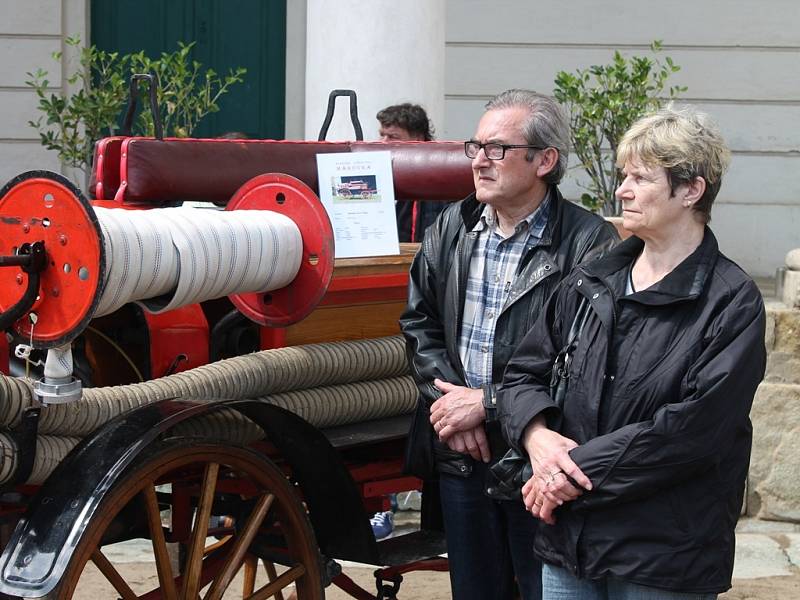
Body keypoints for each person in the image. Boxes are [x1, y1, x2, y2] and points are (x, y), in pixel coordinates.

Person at [496, 106, 766, 599]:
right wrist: (537, 438)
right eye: (624, 175)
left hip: (662, 554)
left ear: (691, 190)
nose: (622, 189)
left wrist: (570, 474)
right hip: (569, 541)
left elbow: (693, 430)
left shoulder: (731, 301)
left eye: (640, 178)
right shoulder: (591, 279)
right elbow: (522, 375)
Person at [400, 89, 618, 600]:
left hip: (537, 459)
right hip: (460, 450)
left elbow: (585, 359)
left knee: (545, 589)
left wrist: (490, 405)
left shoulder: (588, 243)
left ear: (545, 160)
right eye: (475, 146)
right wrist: (450, 406)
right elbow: (419, 323)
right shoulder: (453, 226)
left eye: (497, 149)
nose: (479, 160)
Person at [377, 103, 446, 242]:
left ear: (418, 138)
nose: (383, 142)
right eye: (382, 135)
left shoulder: (438, 177)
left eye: (393, 137)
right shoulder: (384, 171)